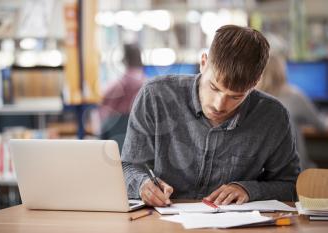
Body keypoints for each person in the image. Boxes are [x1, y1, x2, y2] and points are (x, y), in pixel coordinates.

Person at [121, 25, 300, 207]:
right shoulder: (155, 96)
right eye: (214, 87)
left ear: (256, 82)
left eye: (235, 96)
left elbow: (290, 185)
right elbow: (128, 166)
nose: (219, 105)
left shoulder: (273, 116)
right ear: (203, 62)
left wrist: (249, 190)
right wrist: (143, 184)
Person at [257, 54, 326, 169]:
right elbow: (321, 126)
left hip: (264, 177)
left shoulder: (250, 100)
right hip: (297, 175)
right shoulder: (294, 96)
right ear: (282, 72)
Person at [93, 43, 146, 152]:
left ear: (124, 60)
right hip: (139, 137)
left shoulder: (119, 84)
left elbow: (103, 107)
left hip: (117, 134)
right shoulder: (146, 83)